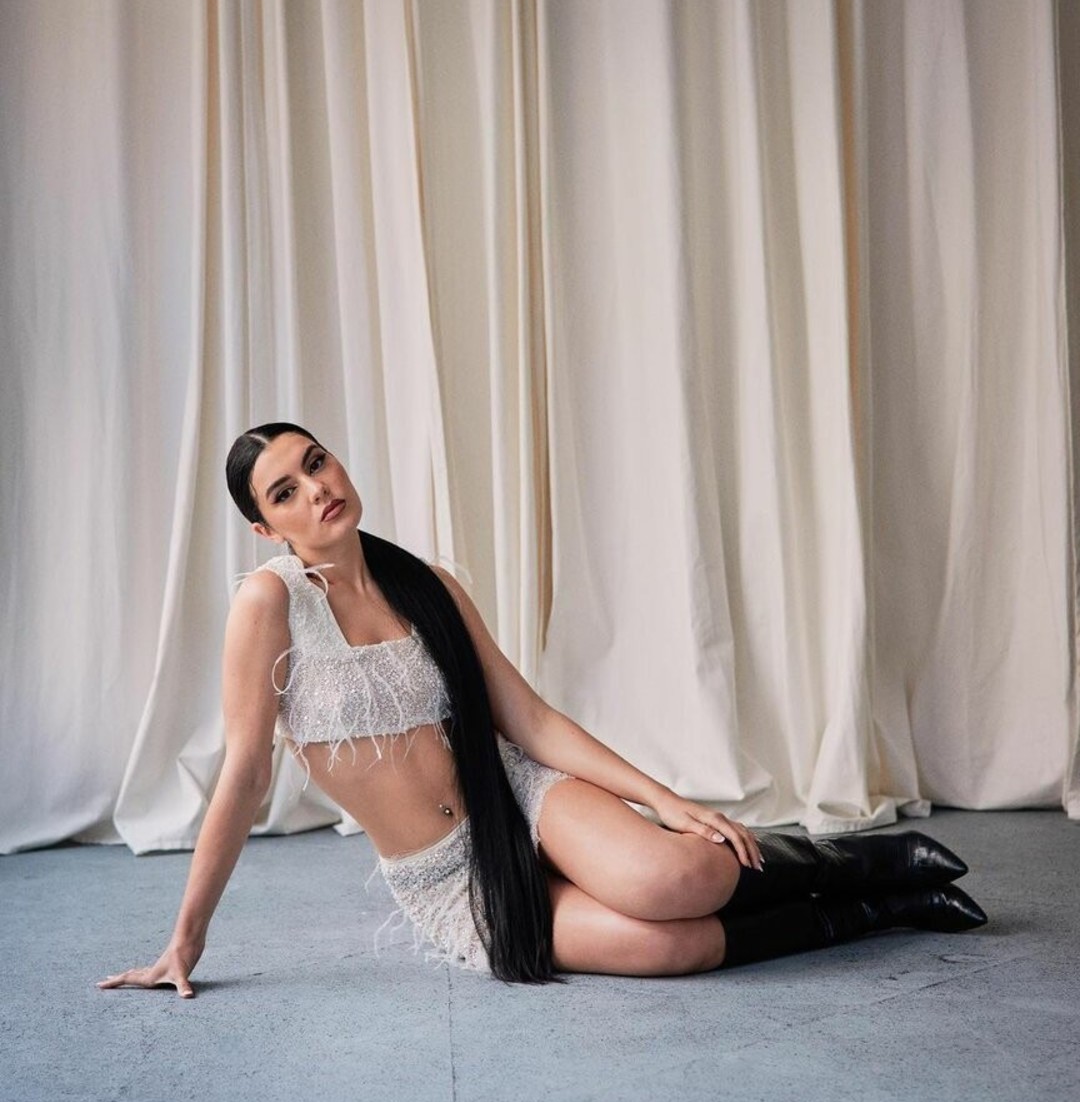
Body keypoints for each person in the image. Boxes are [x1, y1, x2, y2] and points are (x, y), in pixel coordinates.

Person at [99, 423, 986, 995]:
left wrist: (666, 800)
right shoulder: (268, 603)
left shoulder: (426, 584)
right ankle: (872, 913)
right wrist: (187, 939)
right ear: (266, 528)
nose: (314, 488)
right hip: (449, 877)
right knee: (667, 948)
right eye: (284, 492)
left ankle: (864, 865)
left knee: (682, 879)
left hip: (516, 793)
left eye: (315, 462)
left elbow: (527, 719)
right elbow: (245, 775)